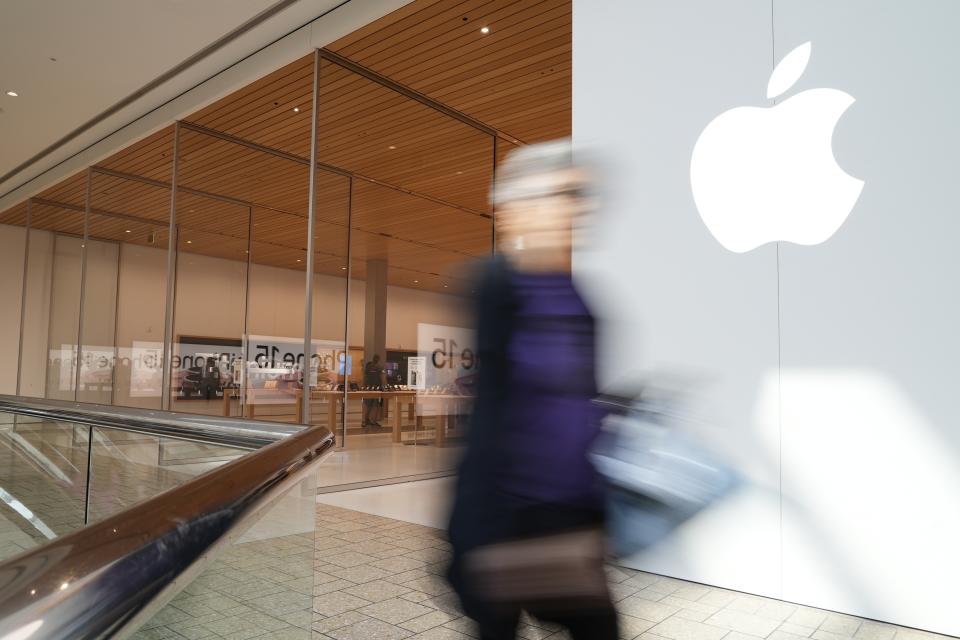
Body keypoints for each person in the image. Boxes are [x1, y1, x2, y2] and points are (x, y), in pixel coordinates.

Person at [447, 140, 618, 640]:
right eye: (566, 192)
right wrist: (469, 538)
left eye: (584, 193)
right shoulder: (495, 285)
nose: (582, 205)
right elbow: (487, 420)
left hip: (569, 521)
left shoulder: (583, 300)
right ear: (518, 207)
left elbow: (575, 403)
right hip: (505, 524)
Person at [362, 354, 387, 428]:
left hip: (368, 389)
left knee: (367, 405)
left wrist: (363, 386)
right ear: (378, 359)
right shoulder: (380, 367)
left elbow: (364, 376)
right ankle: (373, 421)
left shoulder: (368, 366)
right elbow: (383, 378)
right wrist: (385, 387)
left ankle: (365, 421)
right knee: (375, 405)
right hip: (376, 389)